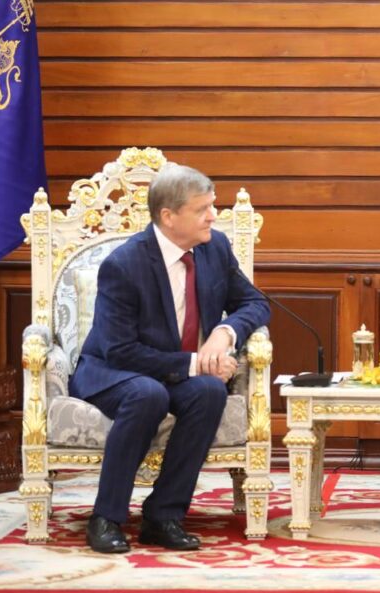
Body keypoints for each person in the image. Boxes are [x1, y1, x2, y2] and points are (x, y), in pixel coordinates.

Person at [70, 164, 270, 554]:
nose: (213, 216)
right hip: (114, 371)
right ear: (168, 216)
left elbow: (254, 303)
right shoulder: (124, 265)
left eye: (212, 206)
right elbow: (119, 350)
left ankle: (163, 516)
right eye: (202, 209)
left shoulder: (214, 247)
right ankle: (106, 517)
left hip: (171, 371)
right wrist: (198, 363)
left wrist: (224, 332)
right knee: (148, 394)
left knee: (209, 392)